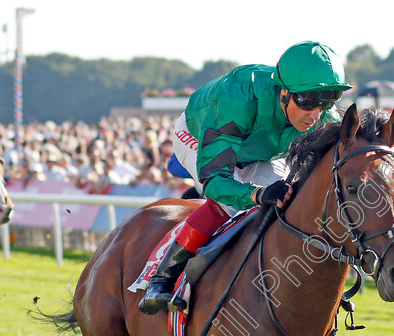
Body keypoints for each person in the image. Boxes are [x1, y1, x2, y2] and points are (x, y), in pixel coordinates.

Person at [138, 41, 352, 314]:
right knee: (230, 203)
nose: (315, 113)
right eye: (307, 101)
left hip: (257, 149)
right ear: (283, 91)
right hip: (196, 135)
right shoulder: (237, 99)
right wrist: (256, 194)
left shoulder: (322, 116)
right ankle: (161, 279)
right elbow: (216, 181)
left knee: (288, 201)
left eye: (327, 101)